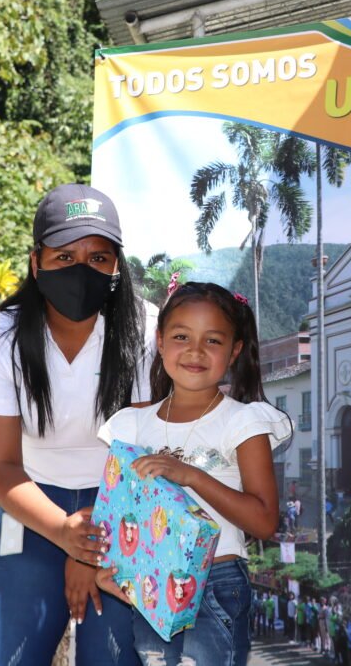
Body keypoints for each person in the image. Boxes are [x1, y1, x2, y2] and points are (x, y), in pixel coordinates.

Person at [0, 184, 153, 665]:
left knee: (112, 656)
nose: (81, 270)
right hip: (31, 506)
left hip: (124, 507)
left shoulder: (146, 331)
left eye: (99, 258)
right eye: (64, 256)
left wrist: (90, 547)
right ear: (36, 263)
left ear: (117, 266)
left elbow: (145, 456)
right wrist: (65, 534)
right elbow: (1, 467)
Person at [96, 282, 292, 665]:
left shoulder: (243, 422)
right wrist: (108, 567)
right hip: (150, 585)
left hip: (216, 582)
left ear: (234, 350)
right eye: (181, 336)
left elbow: (265, 520)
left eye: (213, 341)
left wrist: (191, 476)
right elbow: (120, 512)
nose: (195, 351)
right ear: (160, 341)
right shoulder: (132, 424)